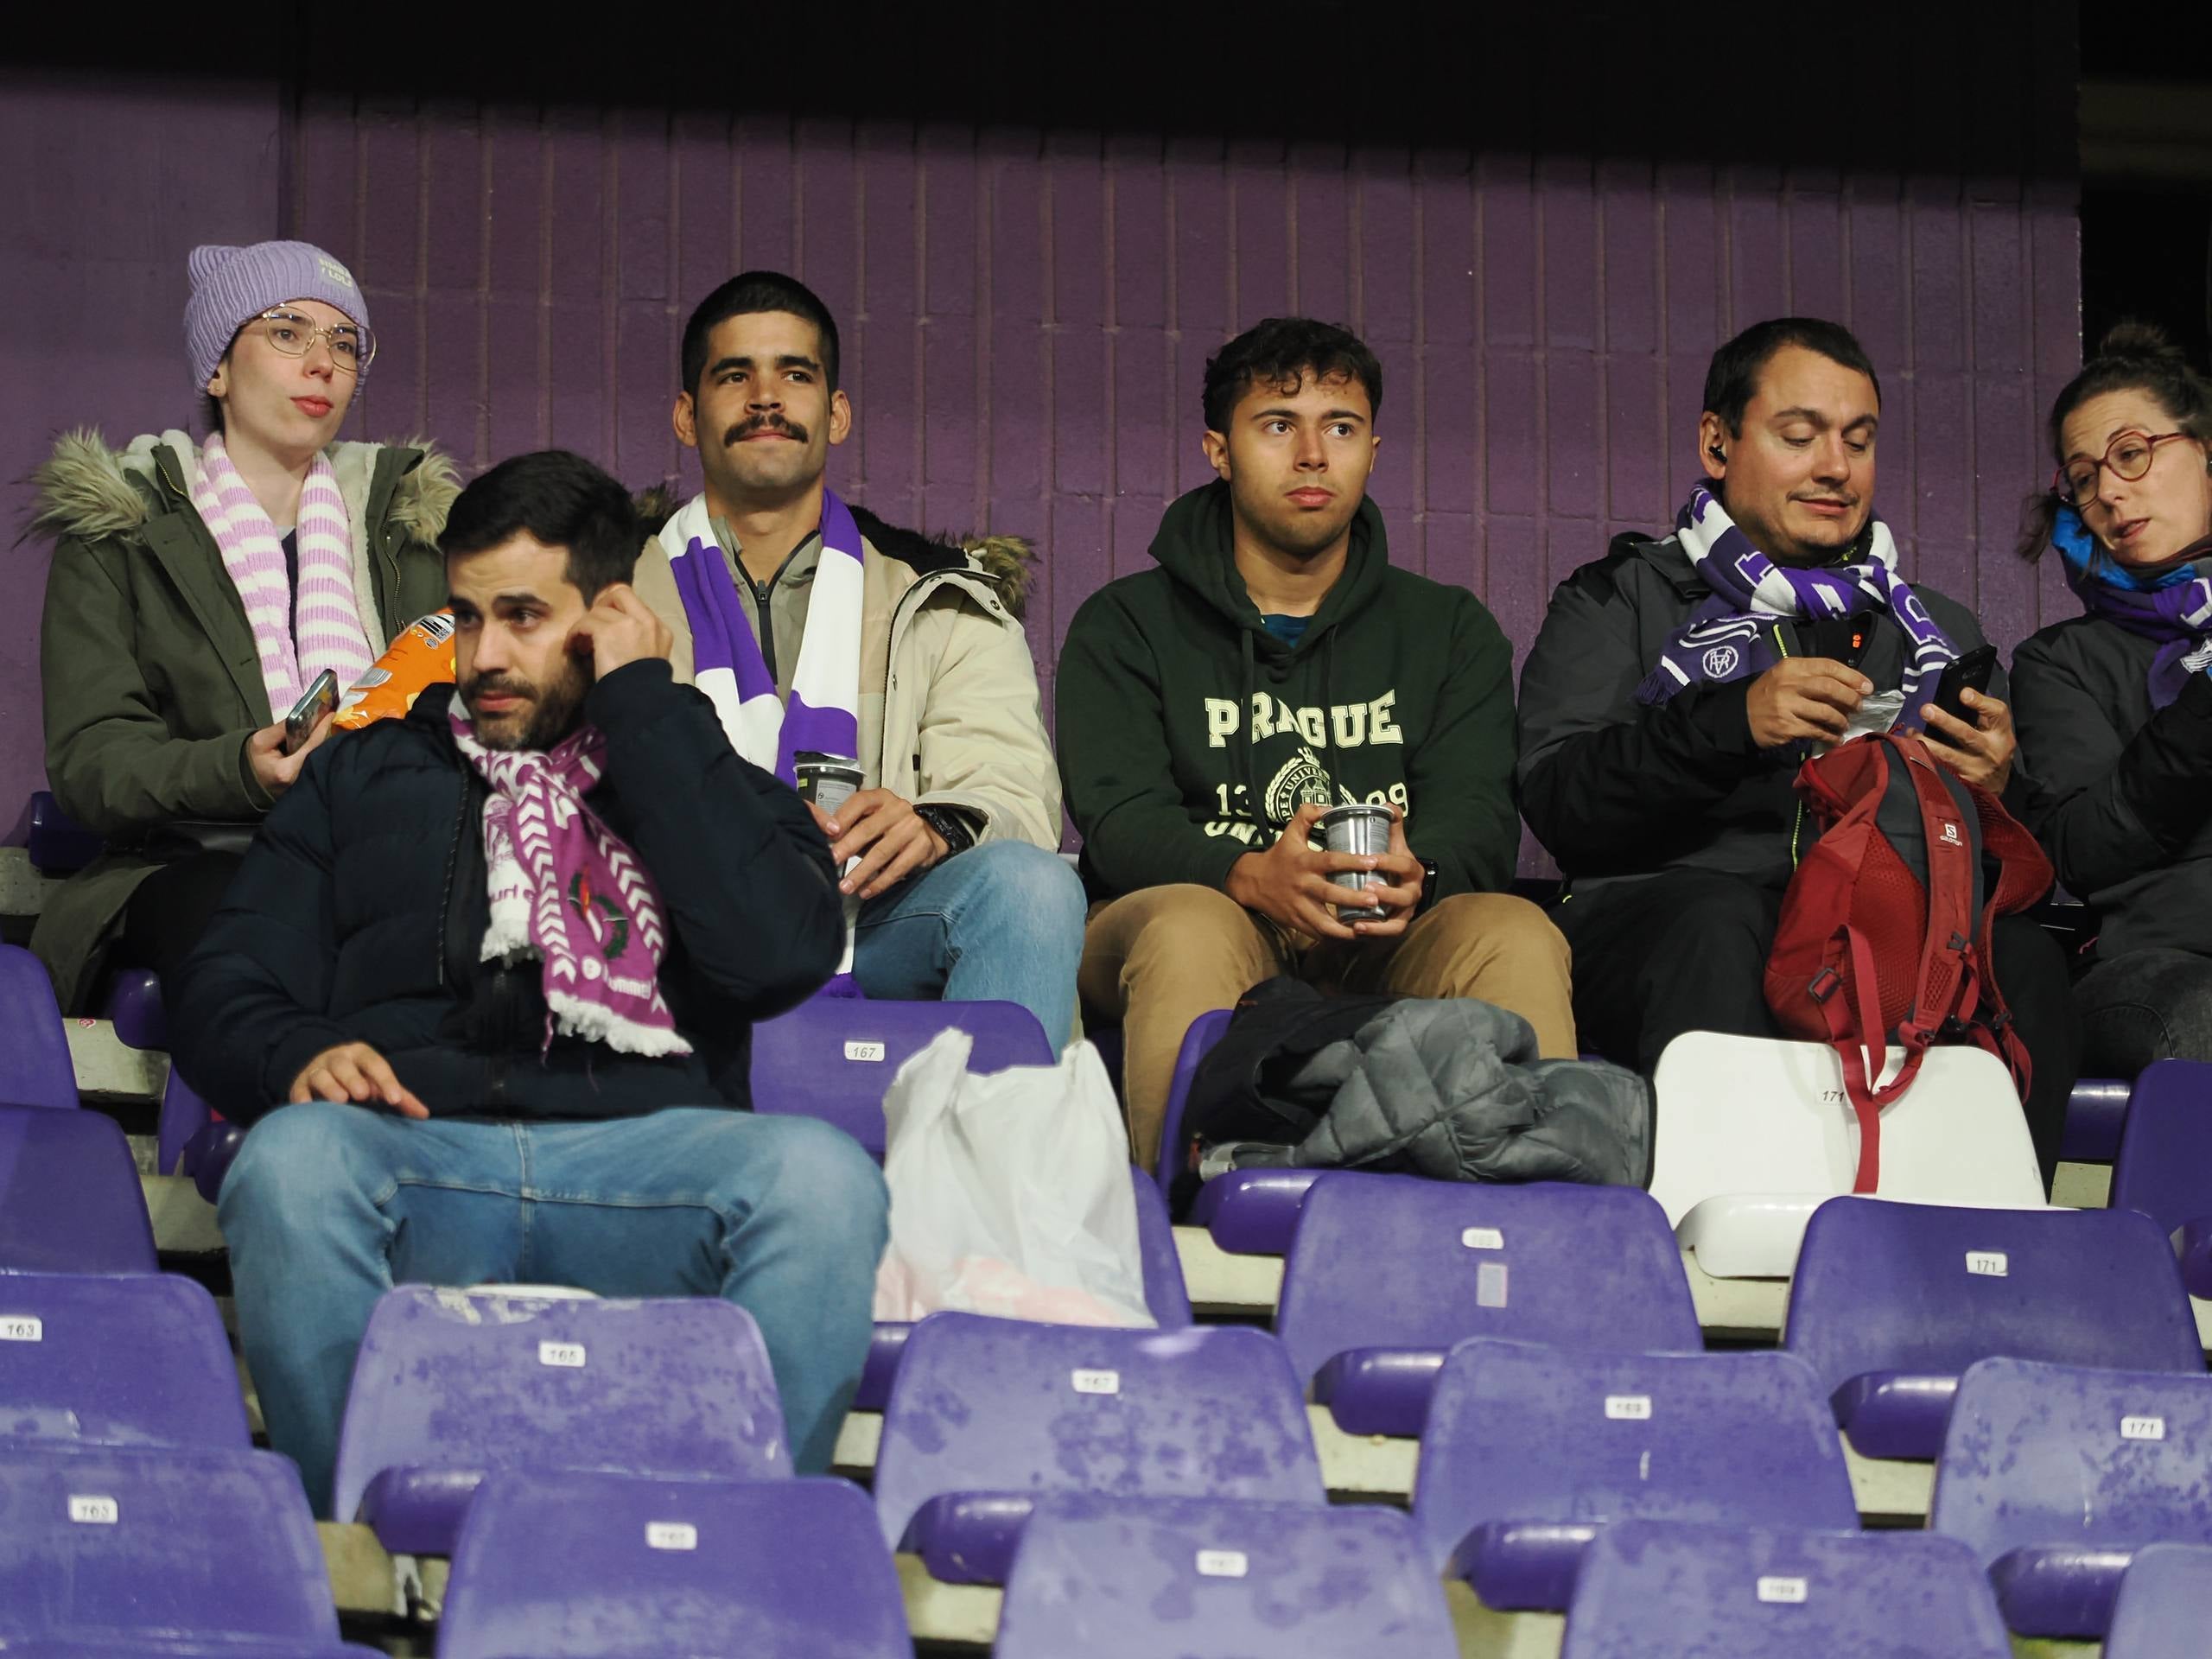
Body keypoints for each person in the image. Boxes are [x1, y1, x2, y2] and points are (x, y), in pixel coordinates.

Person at [170, 449, 882, 1516]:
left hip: (647, 1165)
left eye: (523, 618)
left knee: (822, 1183)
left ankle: (742, 1553)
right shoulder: (364, 773)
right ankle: (364, 1549)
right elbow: (228, 977)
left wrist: (643, 708)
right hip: (416, 1147)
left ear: (608, 616)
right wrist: (296, 1053)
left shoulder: (699, 769)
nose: (483, 656)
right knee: (289, 1167)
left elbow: (778, 953)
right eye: (465, 618)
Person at [1517, 316, 2080, 1183]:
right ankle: (1725, 1244)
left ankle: (1994, 1258)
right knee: (1722, 922)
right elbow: (1561, 801)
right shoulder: (1620, 597)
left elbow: (2008, 861)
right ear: (1717, 442)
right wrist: (1727, 723)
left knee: (2026, 958)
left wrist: (1998, 789)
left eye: (1857, 441)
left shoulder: (1934, 628)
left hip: (1886, 929)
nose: (1834, 467)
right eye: (1798, 435)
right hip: (1667, 915)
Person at [1058, 316, 1576, 1166]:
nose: (1311, 455)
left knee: (1513, 930)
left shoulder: (1447, 628)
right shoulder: (1128, 623)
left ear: (1372, 449)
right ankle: (1179, 1243)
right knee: (1189, 926)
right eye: (1277, 426)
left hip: (1386, 937)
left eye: (1339, 428)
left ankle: (1539, 1248)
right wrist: (1245, 875)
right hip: (1205, 911)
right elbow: (1118, 822)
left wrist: (1422, 875)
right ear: (1217, 451)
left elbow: (1477, 815)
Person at [632, 271, 1086, 1047]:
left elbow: (1011, 784)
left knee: (1033, 888)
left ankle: (992, 1156)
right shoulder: (603, 586)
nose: (766, 397)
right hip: (661, 930)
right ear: (685, 415)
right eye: (735, 374)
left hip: (869, 924)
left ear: (836, 414)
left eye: (796, 375)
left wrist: (934, 824)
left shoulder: (940, 596)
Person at [29, 239, 452, 1014]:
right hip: (193, 861)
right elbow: (94, 764)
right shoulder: (121, 530)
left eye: (345, 342)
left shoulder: (415, 533)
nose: (322, 361)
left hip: (388, 858)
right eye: (288, 331)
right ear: (216, 369)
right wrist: (241, 768)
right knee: (257, 927)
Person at [2012, 323, 2212, 1077]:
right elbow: (2086, 849)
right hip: (2163, 966)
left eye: (2131, 455)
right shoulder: (2062, 661)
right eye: (2085, 476)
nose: (2110, 492)